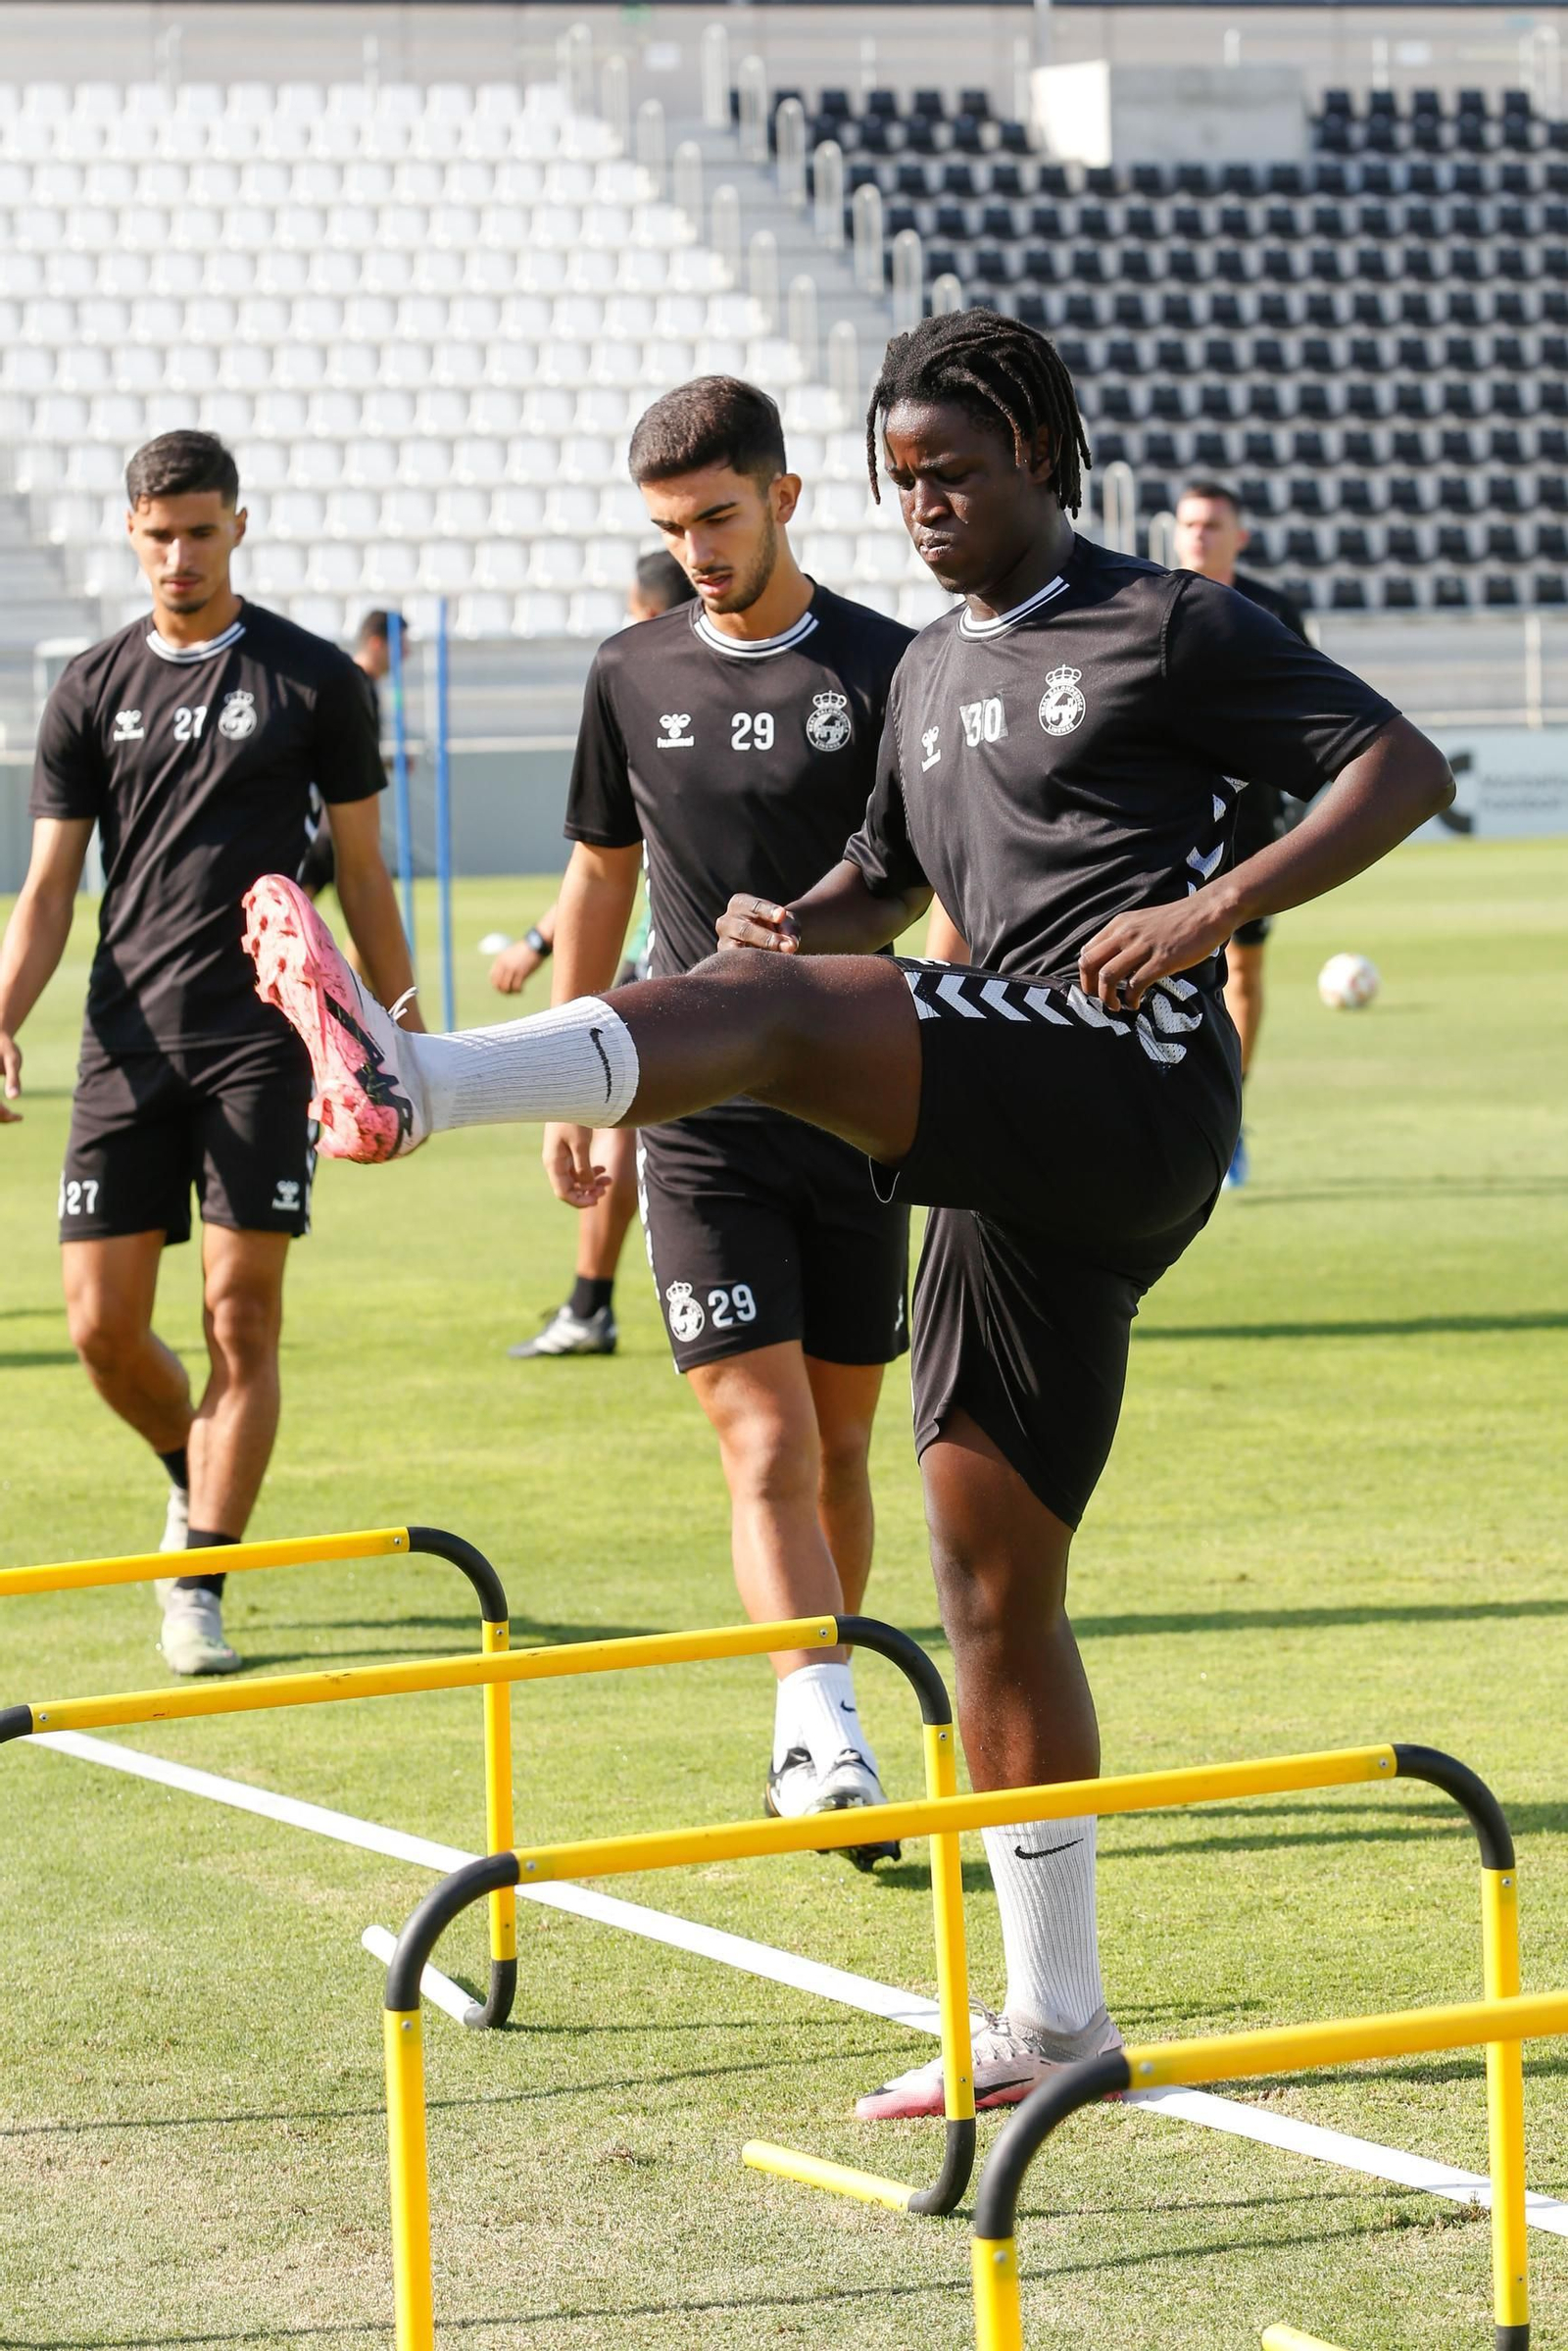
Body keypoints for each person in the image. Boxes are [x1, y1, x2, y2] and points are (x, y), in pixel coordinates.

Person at [244, 311, 1452, 2112]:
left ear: (1044, 448)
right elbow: (881, 877)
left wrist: (1205, 918)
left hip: (1126, 1072)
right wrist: (785, 926)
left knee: (790, 1047)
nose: (926, 509)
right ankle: (1058, 2024)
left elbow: (1400, 768)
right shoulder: (932, 671)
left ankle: (419, 1082)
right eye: (902, 482)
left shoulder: (1176, 622)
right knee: (985, 1571)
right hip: (1012, 1128)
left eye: (954, 472)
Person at [498, 377, 915, 1860]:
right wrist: (576, 1065)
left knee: (847, 1442)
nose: (696, 552)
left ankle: (826, 1710)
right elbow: (600, 878)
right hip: (697, 1113)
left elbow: (935, 875)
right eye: (671, 529)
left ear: (787, 497)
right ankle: (821, 1728)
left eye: (719, 518)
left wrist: (823, 927)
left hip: (863, 1105)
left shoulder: (891, 666)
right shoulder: (629, 671)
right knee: (763, 1440)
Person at [0, 430, 417, 1676]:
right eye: (157, 533)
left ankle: (200, 1580)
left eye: (200, 529)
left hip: (264, 1041)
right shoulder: (87, 686)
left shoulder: (316, 682)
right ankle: (196, 1472)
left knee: (241, 1315)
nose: (179, 554)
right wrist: (4, 1017)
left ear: (239, 524)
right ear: (131, 532)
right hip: (126, 1040)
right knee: (99, 1329)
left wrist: (402, 1037)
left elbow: (367, 872)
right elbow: (48, 890)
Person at [490, 553, 694, 1360]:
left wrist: (541, 946)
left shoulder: (662, 701)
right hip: (669, 961)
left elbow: (611, 864)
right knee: (626, 1132)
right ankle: (589, 1302)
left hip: (670, 965)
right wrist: (543, 942)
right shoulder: (656, 697)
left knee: (621, 1129)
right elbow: (606, 865)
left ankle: (590, 1305)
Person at [1172, 483, 1311, 1188]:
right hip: (1161, 821)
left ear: (1239, 537)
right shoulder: (1142, 599)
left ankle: (1230, 1115)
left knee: (1245, 973)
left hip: (1249, 825)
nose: (1198, 535)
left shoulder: (1273, 611)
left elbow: (1307, 710)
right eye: (1189, 524)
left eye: (1212, 524)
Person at [297, 609, 406, 913]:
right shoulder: (351, 684)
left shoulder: (360, 684)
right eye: (400, 645)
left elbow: (354, 755)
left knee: (366, 908)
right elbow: (339, 757)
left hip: (335, 821)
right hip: (335, 822)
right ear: (376, 643)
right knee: (295, 914)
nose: (405, 655)